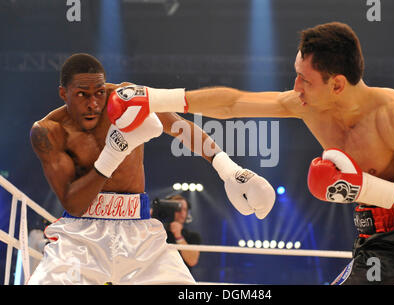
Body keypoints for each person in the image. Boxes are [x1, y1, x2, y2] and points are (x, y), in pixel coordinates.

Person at [128, 22, 394, 285]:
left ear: (337, 84)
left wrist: (363, 188)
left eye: (305, 79)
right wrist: (153, 98)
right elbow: (233, 103)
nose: (295, 87)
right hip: (372, 239)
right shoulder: (309, 104)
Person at [28, 53, 276, 284]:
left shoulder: (126, 98)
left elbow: (180, 127)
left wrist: (229, 169)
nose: (94, 103)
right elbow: (74, 204)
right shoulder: (48, 131)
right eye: (82, 94)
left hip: (139, 234)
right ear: (63, 93)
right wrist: (114, 152)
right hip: (80, 236)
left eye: (99, 92)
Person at [164, 195, 201, 270]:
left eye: (185, 209)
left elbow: (192, 261)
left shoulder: (193, 236)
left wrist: (178, 236)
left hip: (182, 280)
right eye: (178, 208)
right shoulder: (157, 233)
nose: (182, 213)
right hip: (158, 278)